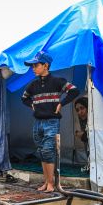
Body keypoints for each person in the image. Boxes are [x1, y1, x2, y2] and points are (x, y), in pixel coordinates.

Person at [22, 50, 80, 192]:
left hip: (52, 122)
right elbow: (24, 98)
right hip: (38, 123)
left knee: (48, 150)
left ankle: (51, 184)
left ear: (46, 66)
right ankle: (46, 182)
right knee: (42, 151)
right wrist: (32, 105)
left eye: (36, 65)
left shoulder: (57, 81)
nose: (33, 69)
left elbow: (74, 91)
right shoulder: (32, 85)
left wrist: (61, 103)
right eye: (32, 66)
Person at [74, 97, 89, 169]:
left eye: (82, 108)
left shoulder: (96, 119)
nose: (80, 112)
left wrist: (83, 135)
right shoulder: (83, 120)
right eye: (77, 110)